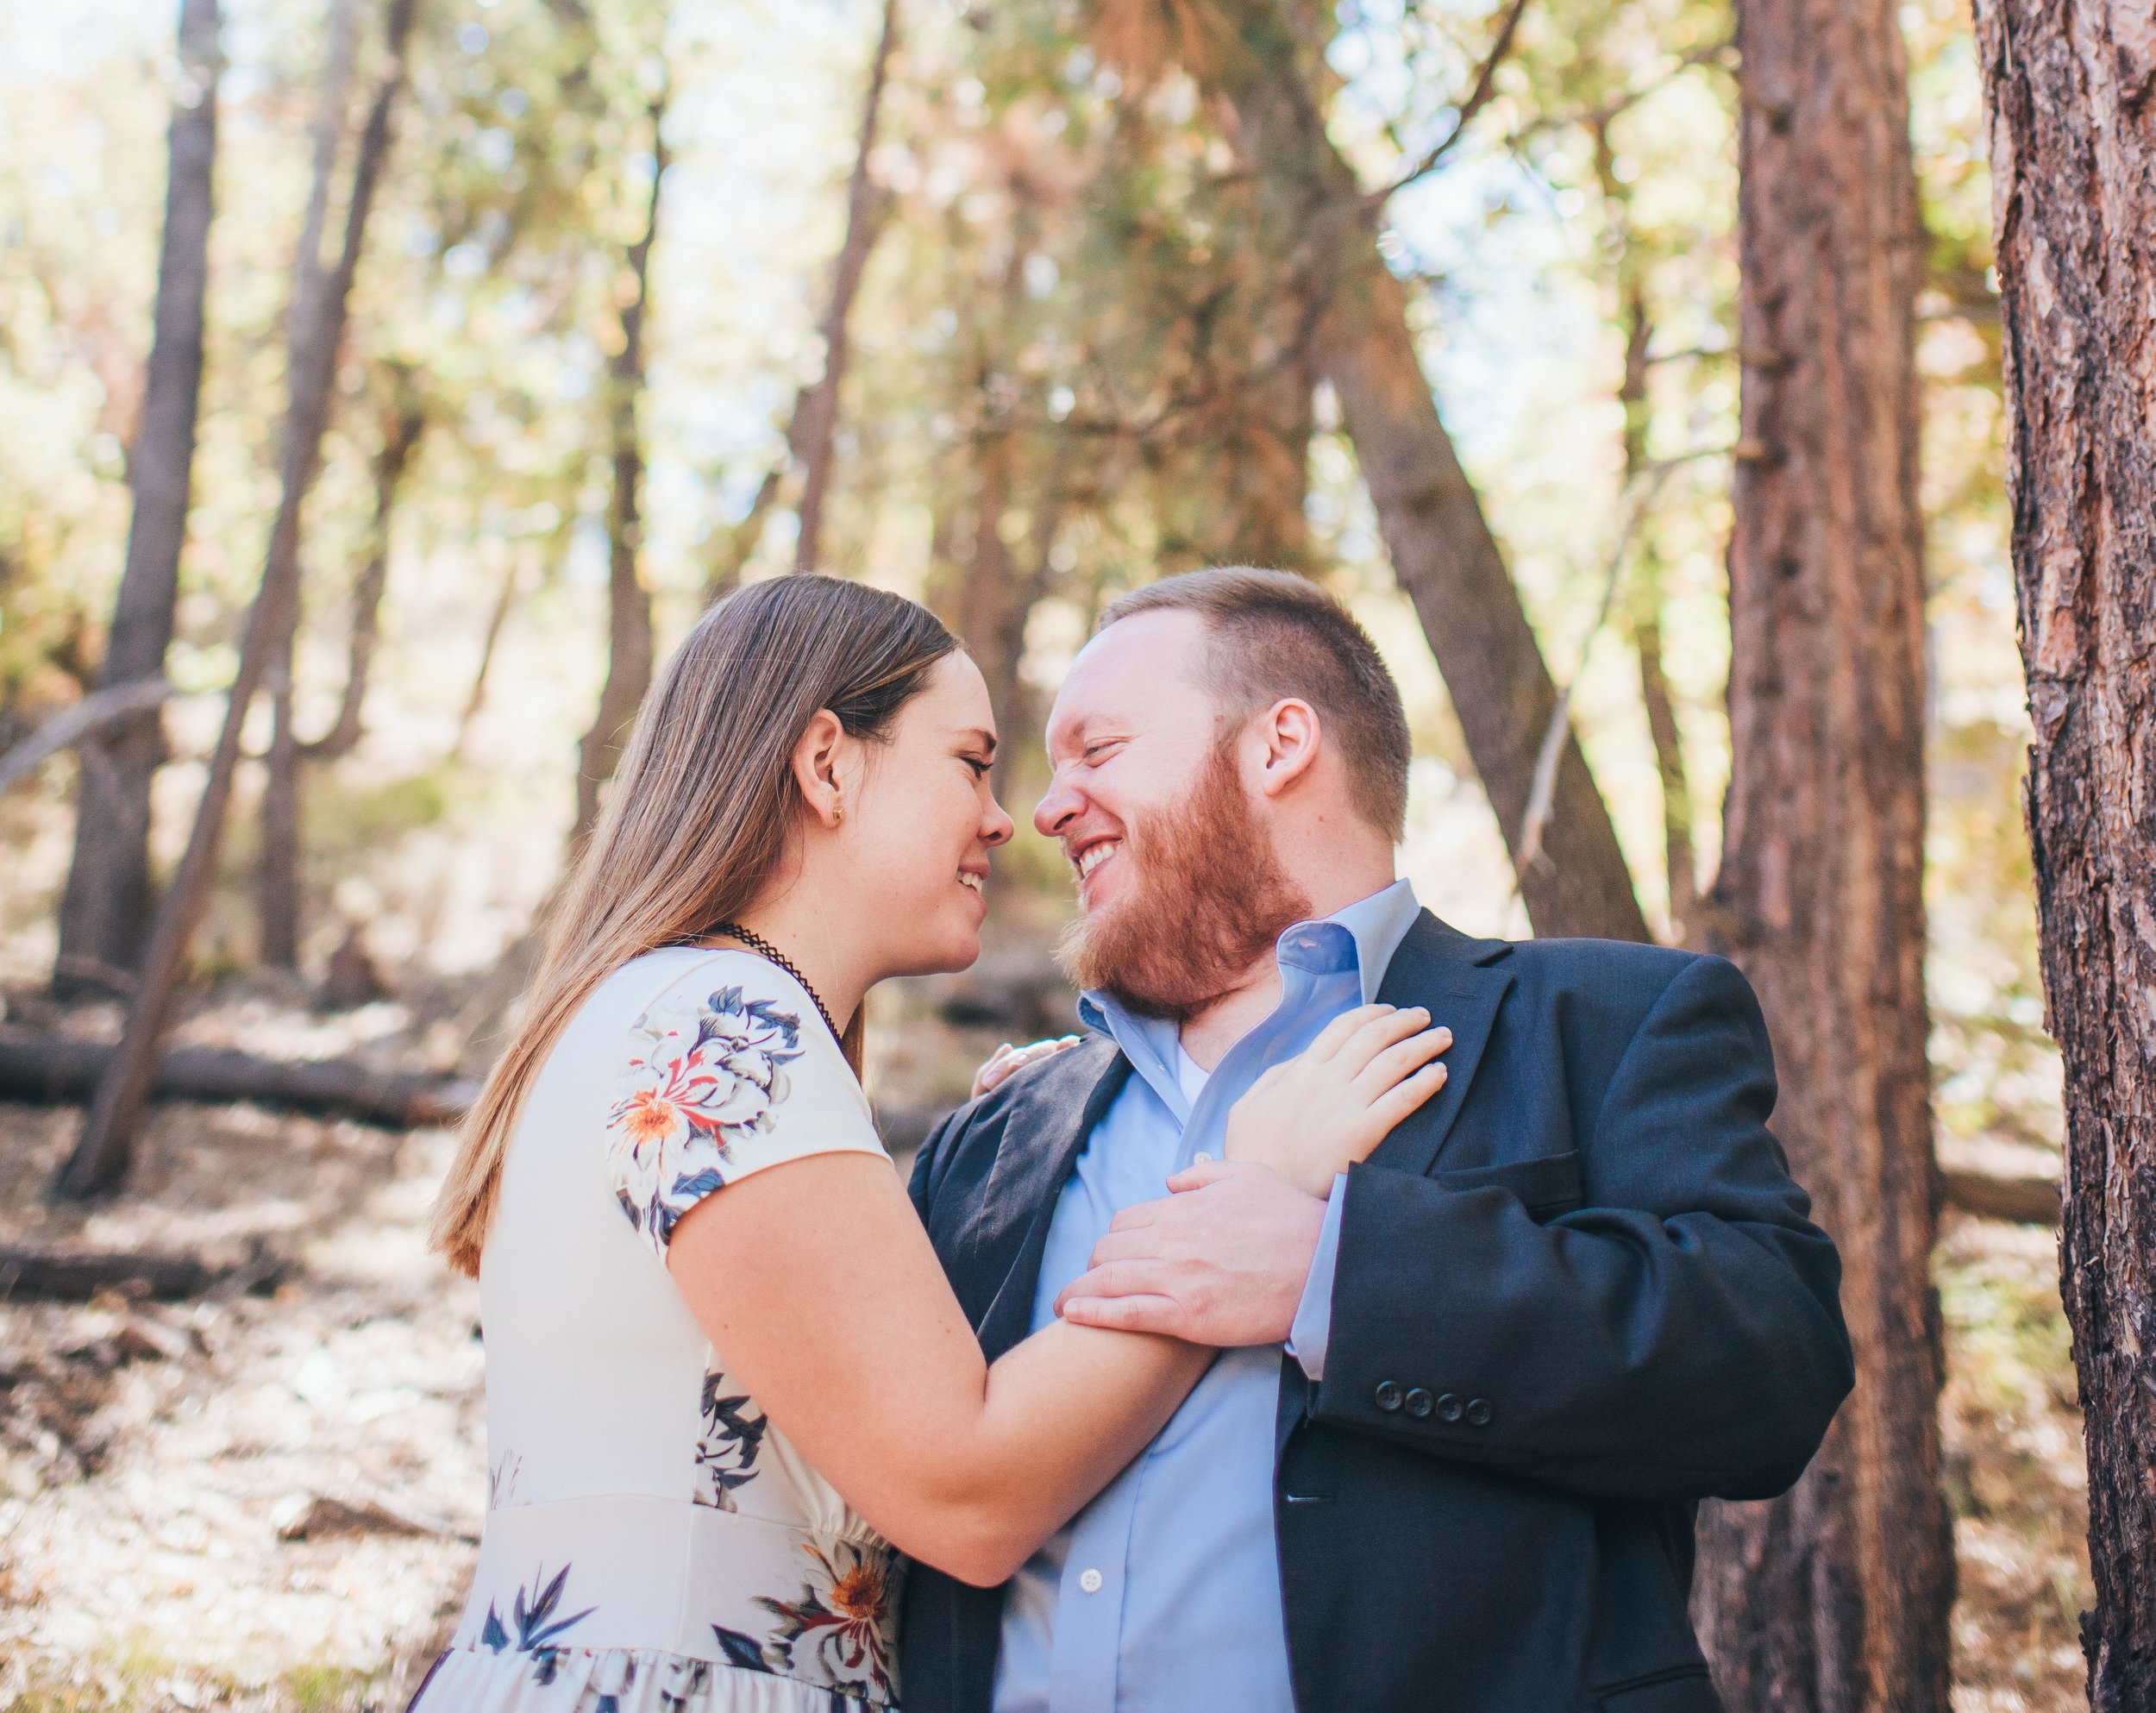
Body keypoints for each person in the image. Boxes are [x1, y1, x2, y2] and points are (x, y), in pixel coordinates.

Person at [414, 571, 1447, 1713]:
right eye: (970, 760)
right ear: (827, 763)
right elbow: (968, 1492)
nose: (1008, 818)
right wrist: (1245, 1186)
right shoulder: (724, 1025)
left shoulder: (661, 1012)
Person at [903, 567, 1857, 1713]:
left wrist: (1335, 1277)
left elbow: (1770, 1368)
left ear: (1279, 744)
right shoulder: (994, 1130)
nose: (1046, 810)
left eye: (1096, 750)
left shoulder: (1606, 1023)